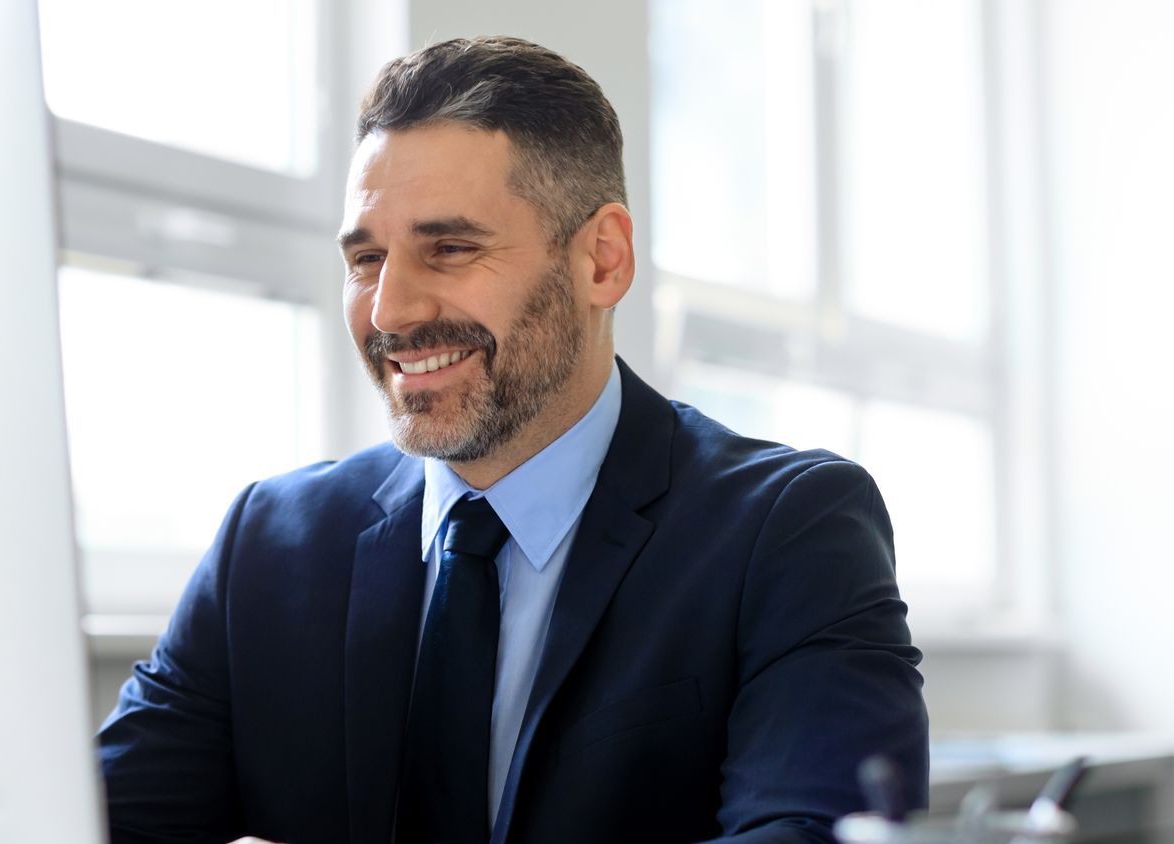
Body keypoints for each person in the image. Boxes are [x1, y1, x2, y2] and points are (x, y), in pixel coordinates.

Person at [97, 36, 928, 844]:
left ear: (602, 260)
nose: (389, 312)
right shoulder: (268, 544)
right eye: (367, 258)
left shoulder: (790, 530)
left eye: (450, 248)